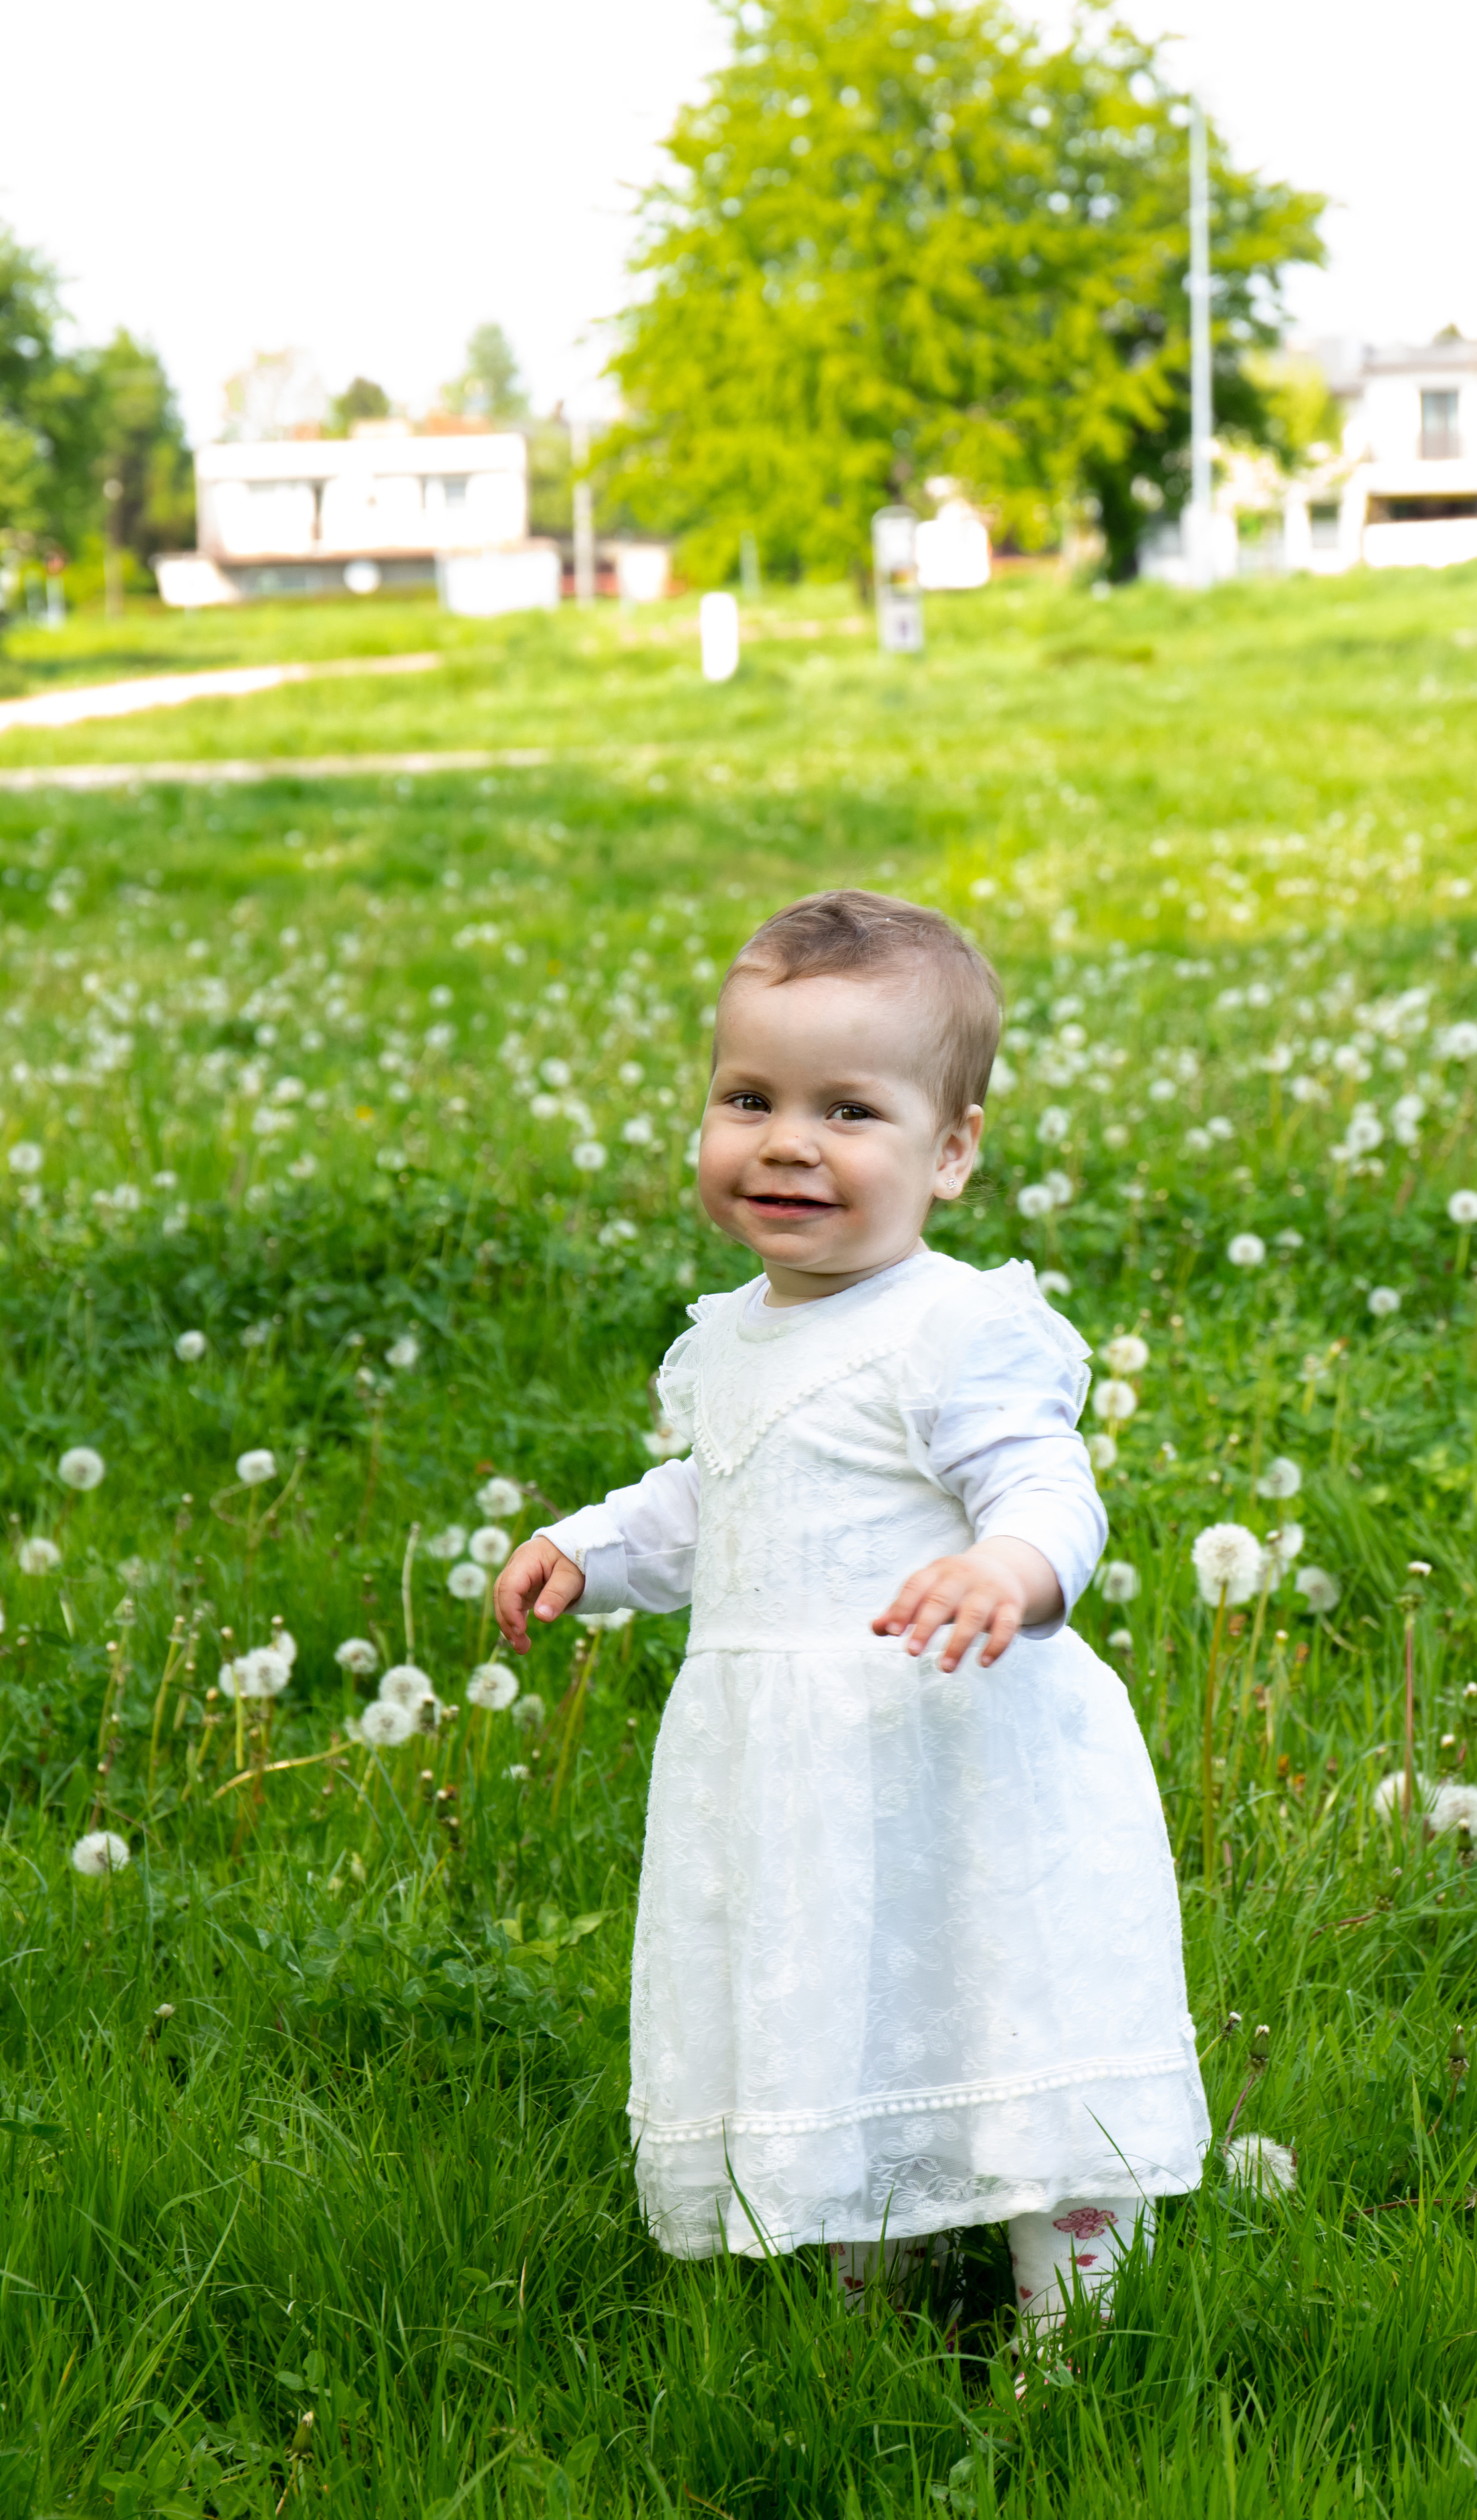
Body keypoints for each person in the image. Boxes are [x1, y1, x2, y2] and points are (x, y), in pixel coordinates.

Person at [494, 890, 1209, 2345]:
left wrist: (1009, 1570)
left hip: (957, 1763)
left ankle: (1074, 2318)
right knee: (835, 2007)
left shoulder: (956, 1329)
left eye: (849, 1111)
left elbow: (1047, 1483)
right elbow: (716, 1498)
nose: (786, 1143)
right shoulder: (731, 1339)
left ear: (951, 1152)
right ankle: (869, 2286)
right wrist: (587, 1546)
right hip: (795, 1787)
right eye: (748, 1098)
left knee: (1007, 2005)